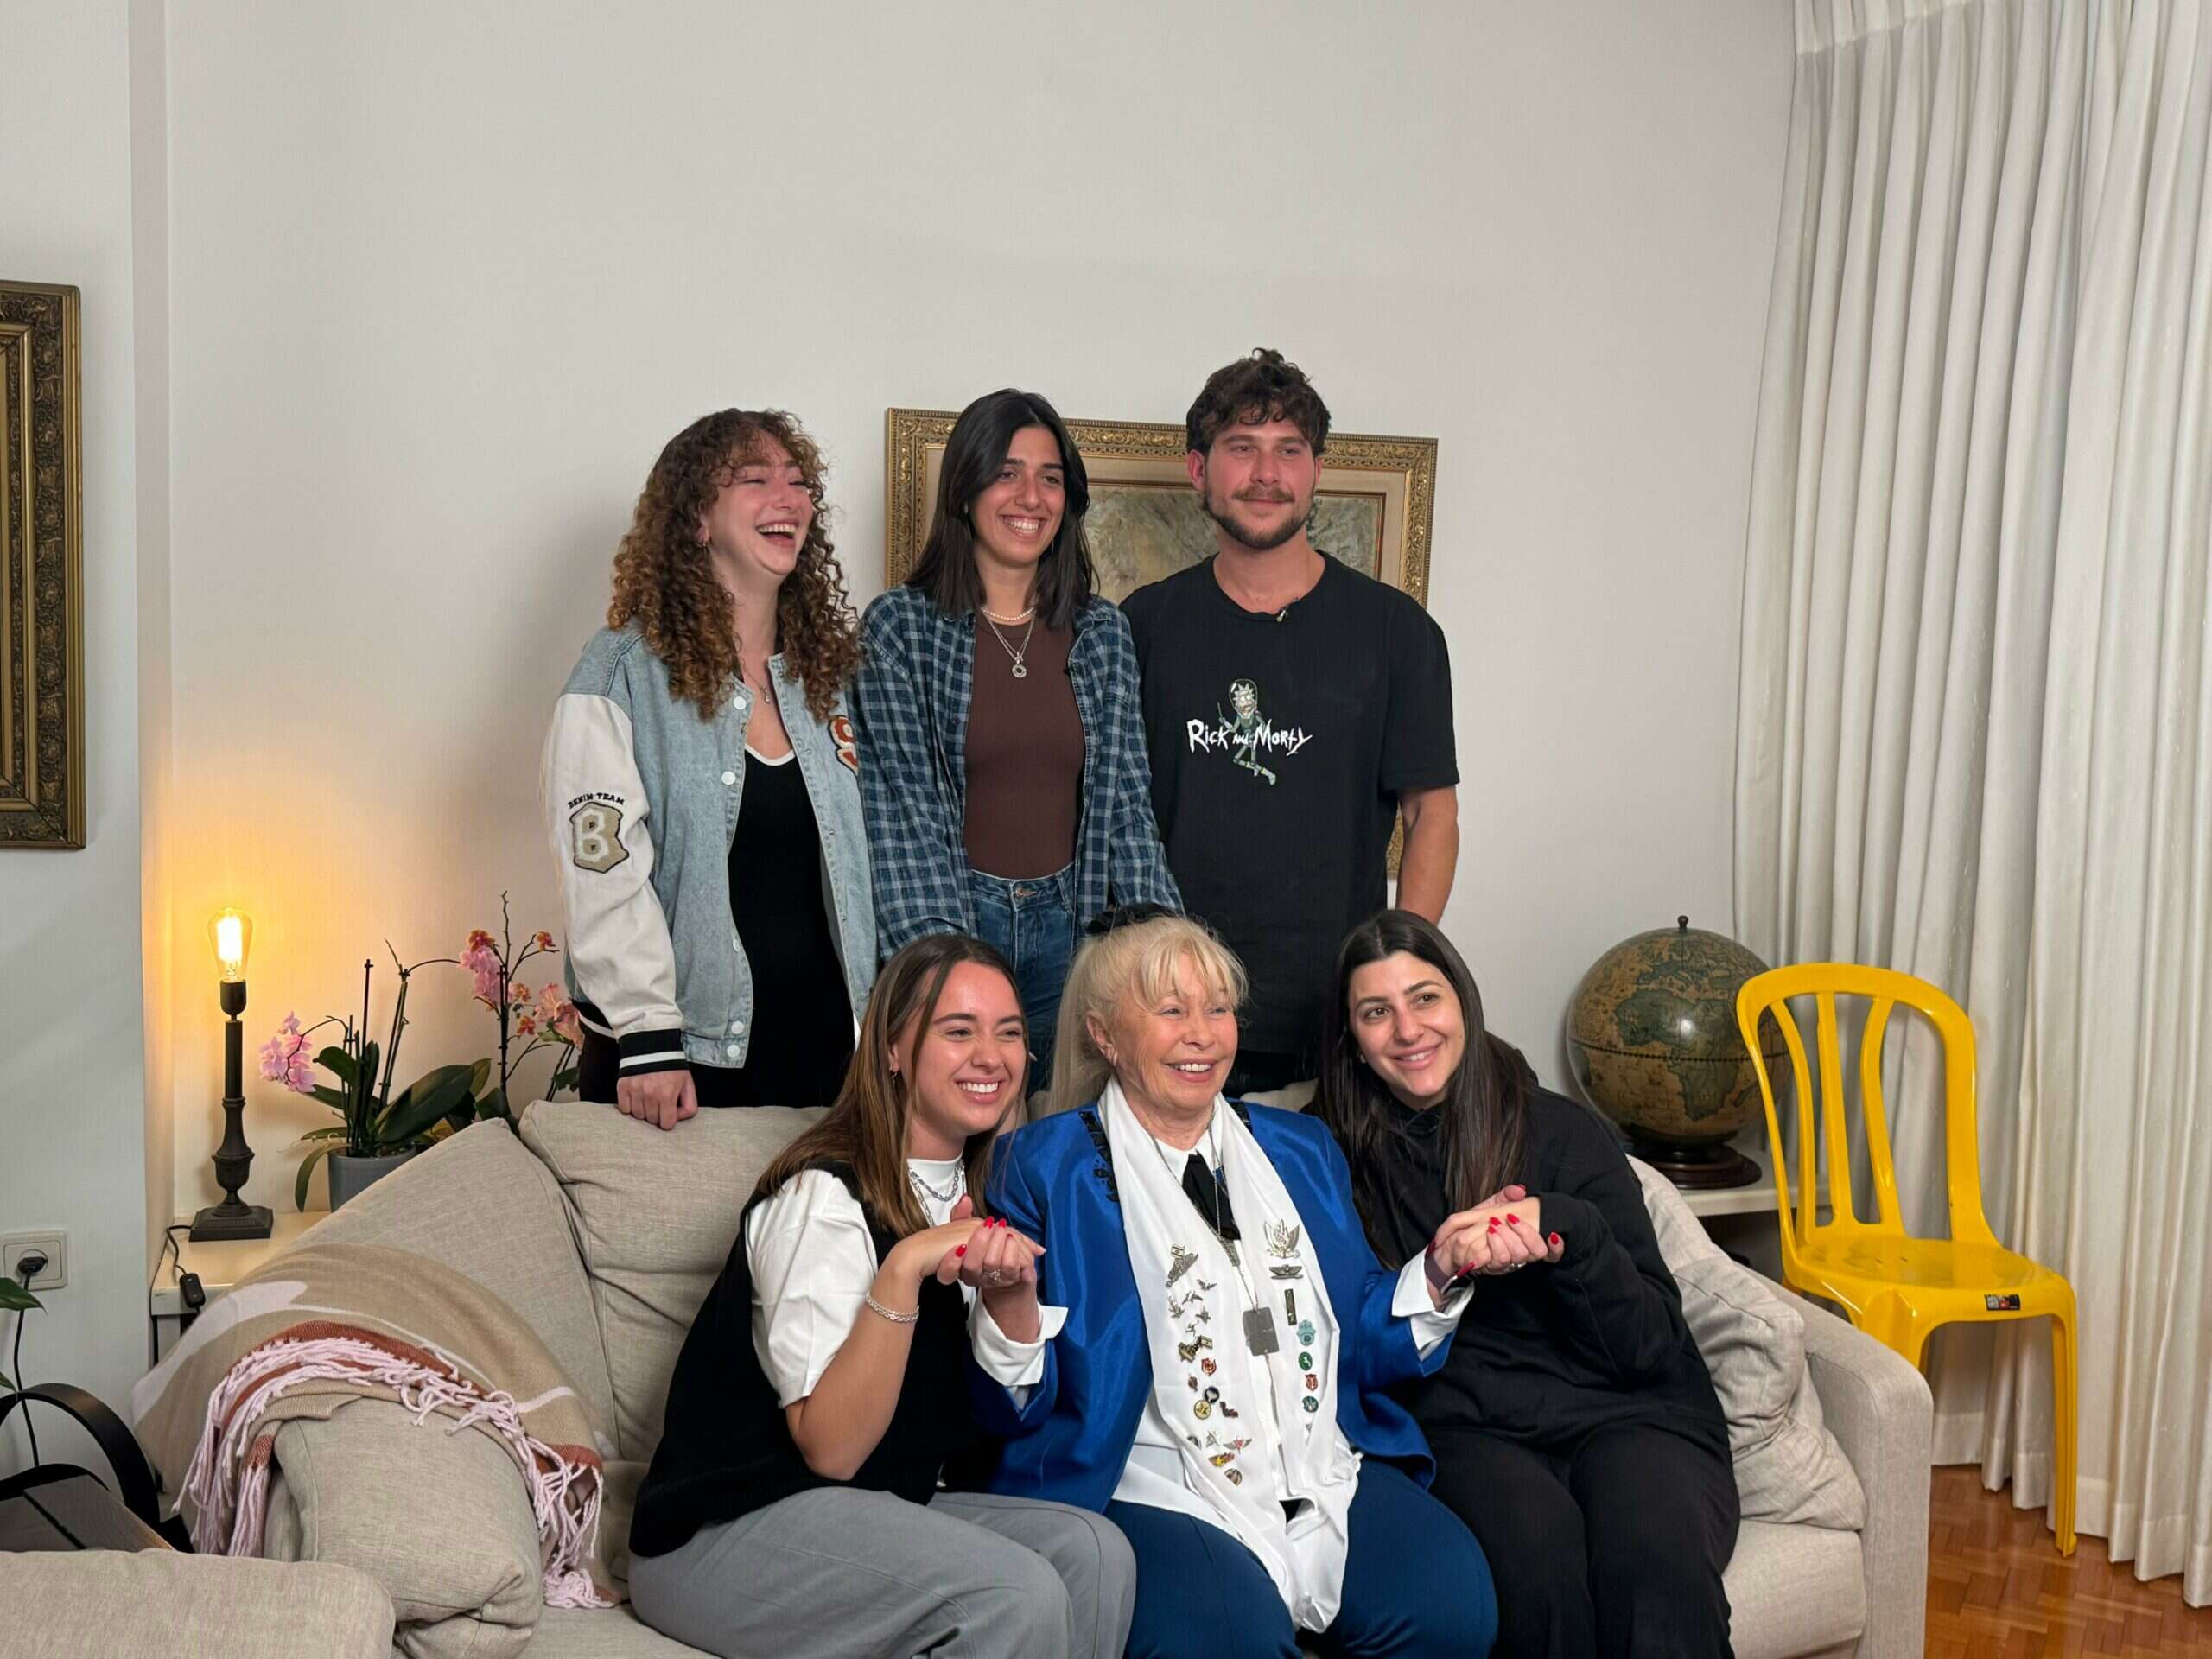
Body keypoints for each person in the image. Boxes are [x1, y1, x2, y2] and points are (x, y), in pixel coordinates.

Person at [970, 912, 1500, 1659]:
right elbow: (1012, 1404)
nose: (1202, 1035)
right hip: (1153, 1480)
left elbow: (1358, 1332)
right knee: (1228, 1640)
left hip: (1318, 1464)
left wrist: (1441, 1268)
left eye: (1217, 1009)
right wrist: (1008, 1306)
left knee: (1452, 1606)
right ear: (1104, 1035)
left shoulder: (1301, 1148)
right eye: (1171, 1010)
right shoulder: (1041, 1165)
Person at [627, 934, 1135, 1659]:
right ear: (892, 1049)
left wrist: (1010, 1302)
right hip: (723, 1531)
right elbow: (832, 1449)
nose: (990, 1056)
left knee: (1095, 1552)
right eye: (957, 1031)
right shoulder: (821, 1197)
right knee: (1016, 1591)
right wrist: (903, 1269)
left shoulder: (986, 1192)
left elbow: (996, 1424)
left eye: (1008, 1033)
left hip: (879, 1506)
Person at [1312, 909, 1738, 1658]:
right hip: (1469, 1431)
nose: (1408, 1030)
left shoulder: (1562, 1131)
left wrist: (1565, 1232)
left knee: (1655, 1566)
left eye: (1425, 998)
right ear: (1352, 1038)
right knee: (1537, 1577)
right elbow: (1346, 1345)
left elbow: (1647, 1347)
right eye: (1376, 1012)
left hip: (1629, 1413)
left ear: (1463, 1002)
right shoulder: (1322, 1159)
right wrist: (1438, 1271)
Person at [1121, 350, 1459, 1095]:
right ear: (1197, 470)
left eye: (1289, 451)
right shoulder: (1142, 626)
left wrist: (1399, 974)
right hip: (1173, 1012)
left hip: (1334, 1018)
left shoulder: (1397, 632)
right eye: (1242, 448)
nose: (1266, 474)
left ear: (1316, 472)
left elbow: (1432, 813)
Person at [543, 409, 874, 1126]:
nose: (787, 498)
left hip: (828, 1061)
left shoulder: (829, 678)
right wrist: (647, 1037)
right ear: (697, 519)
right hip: (678, 1066)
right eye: (755, 480)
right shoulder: (621, 674)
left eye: (798, 482)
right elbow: (601, 868)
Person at [854, 388, 1179, 1095]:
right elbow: (903, 819)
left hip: (1075, 929)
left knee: (1070, 1134)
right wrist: (948, 975)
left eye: (1050, 478)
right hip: (952, 917)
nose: (1031, 497)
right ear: (965, 489)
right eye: (1006, 473)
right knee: (967, 1127)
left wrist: (1165, 948)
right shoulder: (899, 629)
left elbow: (1127, 809)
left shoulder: (1102, 632)